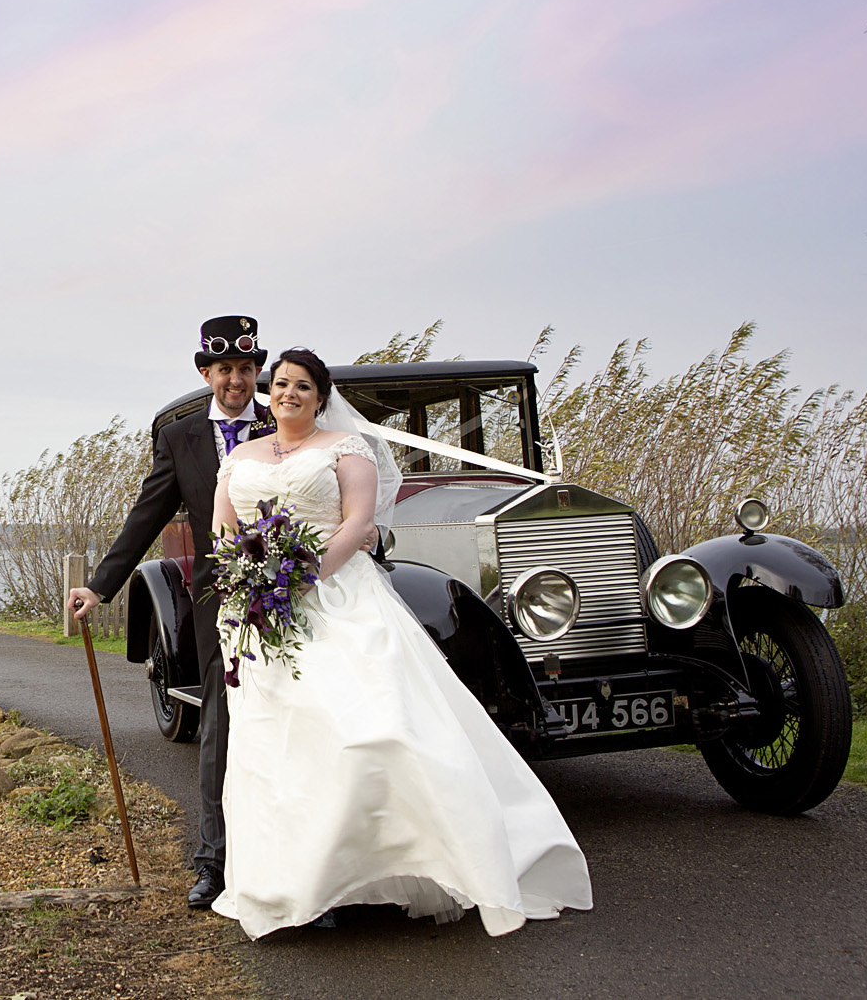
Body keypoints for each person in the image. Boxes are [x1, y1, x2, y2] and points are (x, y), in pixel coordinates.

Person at [210, 347, 593, 939]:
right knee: (277, 745)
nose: (289, 393)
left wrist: (300, 578)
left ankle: (402, 863)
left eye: (303, 386)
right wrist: (252, 584)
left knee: (372, 731)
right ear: (269, 392)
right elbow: (225, 531)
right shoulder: (241, 457)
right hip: (259, 615)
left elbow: (358, 526)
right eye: (281, 383)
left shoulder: (345, 449)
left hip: (338, 602)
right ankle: (290, 884)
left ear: (320, 395)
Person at [67, 315, 271, 911]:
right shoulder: (181, 438)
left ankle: (299, 858)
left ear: (258, 370)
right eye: (224, 369)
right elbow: (146, 515)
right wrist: (100, 587)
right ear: (207, 373)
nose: (237, 380)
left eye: (246, 368)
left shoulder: (283, 419)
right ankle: (213, 861)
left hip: (292, 597)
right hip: (218, 601)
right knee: (221, 720)